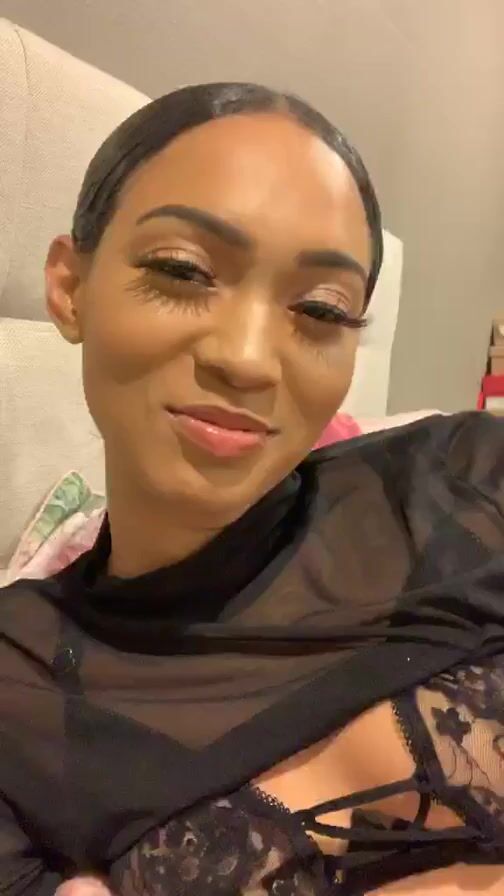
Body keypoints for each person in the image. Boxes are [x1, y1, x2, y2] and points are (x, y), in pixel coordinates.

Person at [1, 82, 503, 896]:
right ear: (69, 286)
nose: (246, 358)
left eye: (321, 310)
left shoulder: (465, 477)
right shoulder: (16, 687)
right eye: (183, 270)